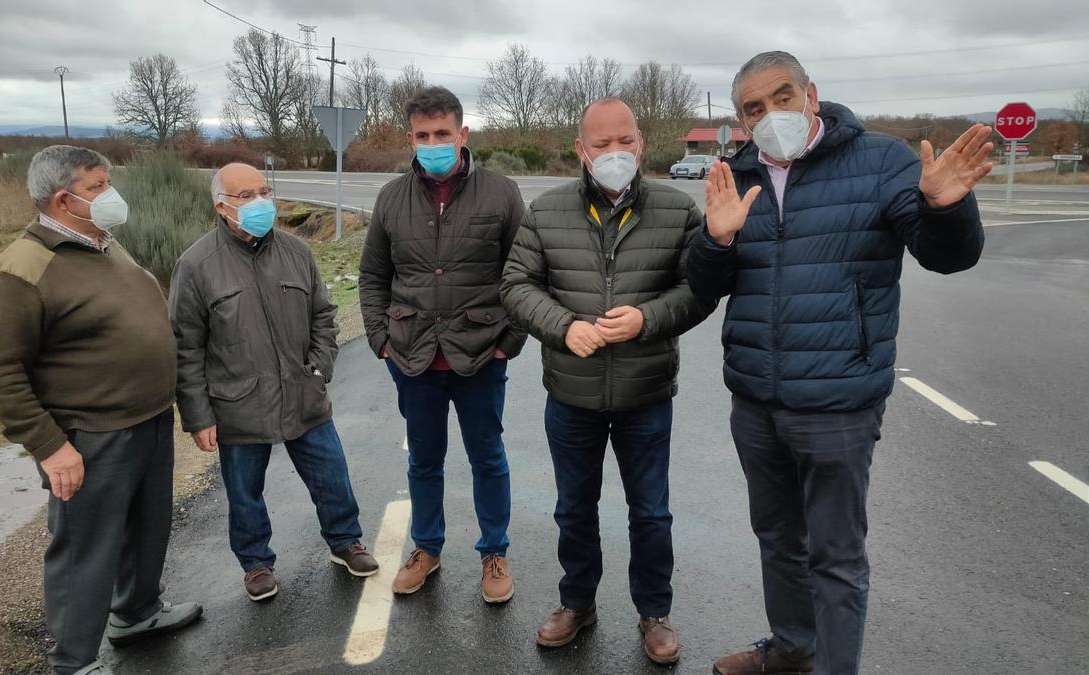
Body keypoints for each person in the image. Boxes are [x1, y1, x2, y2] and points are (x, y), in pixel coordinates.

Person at [685, 51, 992, 675]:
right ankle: (793, 648)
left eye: (782, 97)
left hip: (837, 402)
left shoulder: (880, 162)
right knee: (778, 541)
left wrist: (945, 207)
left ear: (811, 94)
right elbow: (703, 283)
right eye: (753, 108)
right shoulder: (736, 175)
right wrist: (714, 240)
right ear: (741, 122)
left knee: (837, 557)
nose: (771, 115)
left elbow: (946, 256)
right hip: (756, 400)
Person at [500, 97, 716, 665]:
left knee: (651, 511)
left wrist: (647, 319)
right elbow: (516, 286)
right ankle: (577, 604)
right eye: (602, 144)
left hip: (647, 395)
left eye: (625, 140)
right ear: (581, 150)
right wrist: (563, 326)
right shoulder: (545, 212)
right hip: (572, 394)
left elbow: (700, 290)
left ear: (641, 142)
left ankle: (654, 612)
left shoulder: (677, 210)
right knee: (575, 507)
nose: (615, 152)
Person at [0, 145, 201, 675]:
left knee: (147, 528)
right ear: (62, 198)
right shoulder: (22, 271)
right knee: (86, 548)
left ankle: (137, 613)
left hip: (146, 419)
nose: (111, 195)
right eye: (98, 186)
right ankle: (73, 660)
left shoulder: (103, 244)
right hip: (88, 434)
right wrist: (51, 448)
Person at [169, 162, 378, 603]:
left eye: (264, 190)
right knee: (245, 493)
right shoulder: (196, 265)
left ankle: (346, 542)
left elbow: (323, 315)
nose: (260, 201)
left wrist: (319, 369)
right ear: (221, 206)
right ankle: (256, 563)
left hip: (303, 393)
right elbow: (185, 348)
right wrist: (197, 416)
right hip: (238, 402)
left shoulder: (296, 251)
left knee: (331, 476)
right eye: (246, 195)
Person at [358, 86, 527, 603]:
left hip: (481, 353)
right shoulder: (390, 198)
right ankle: (426, 548)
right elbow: (372, 275)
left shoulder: (501, 193)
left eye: (443, 134)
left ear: (462, 134)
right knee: (424, 461)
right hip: (412, 355)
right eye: (423, 135)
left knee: (487, 458)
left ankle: (493, 551)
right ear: (410, 139)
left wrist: (509, 341)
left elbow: (524, 271)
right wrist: (380, 339)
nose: (433, 143)